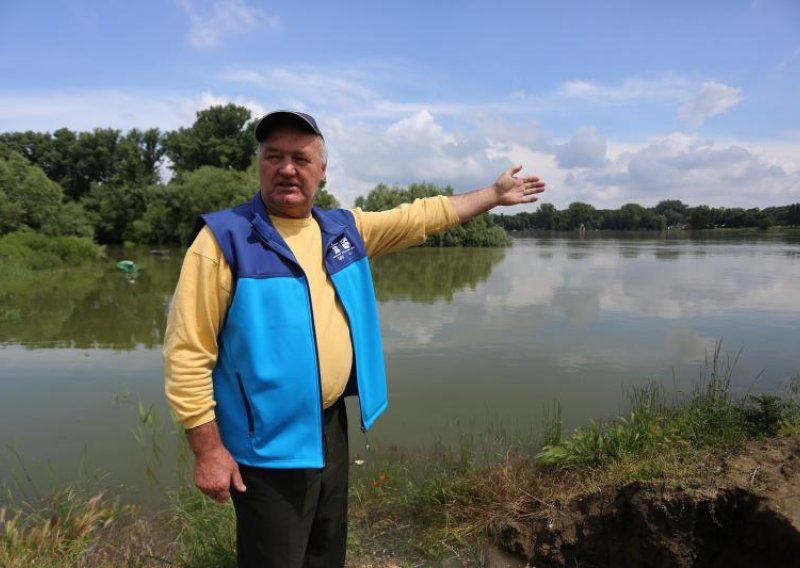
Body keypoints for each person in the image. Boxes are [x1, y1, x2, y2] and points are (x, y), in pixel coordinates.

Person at [163, 110, 545, 567]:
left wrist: (493, 195)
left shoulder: (342, 231)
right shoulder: (223, 239)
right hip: (265, 440)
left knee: (326, 553)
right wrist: (208, 451)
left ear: (322, 170)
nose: (287, 169)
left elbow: (419, 216)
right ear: (259, 164)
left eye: (301, 159)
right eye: (274, 157)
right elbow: (187, 354)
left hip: (329, 426)